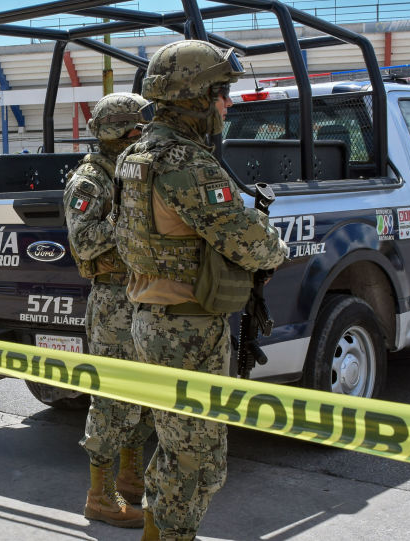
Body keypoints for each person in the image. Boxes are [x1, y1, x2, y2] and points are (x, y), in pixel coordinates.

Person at [114, 40, 286, 540]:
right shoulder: (184, 162)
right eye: (220, 94)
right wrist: (274, 247)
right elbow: (251, 242)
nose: (227, 105)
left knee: (187, 454)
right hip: (184, 329)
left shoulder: (136, 155)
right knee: (195, 462)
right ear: (191, 97)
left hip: (155, 318)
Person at [65, 92, 155, 529]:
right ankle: (99, 495)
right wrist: (129, 217)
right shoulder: (91, 179)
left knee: (142, 396)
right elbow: (82, 241)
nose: (143, 136)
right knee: (113, 398)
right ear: (117, 132)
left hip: (142, 296)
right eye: (137, 129)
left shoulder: (130, 171)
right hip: (113, 304)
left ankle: (131, 478)